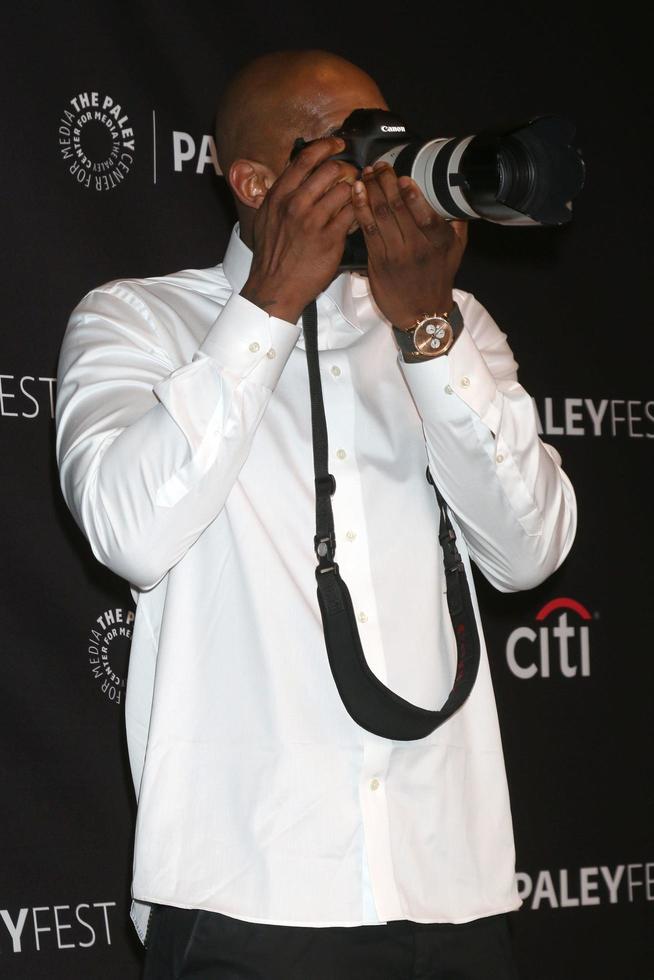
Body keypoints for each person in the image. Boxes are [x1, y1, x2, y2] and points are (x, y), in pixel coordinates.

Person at [55, 49, 576, 980]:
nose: (380, 173)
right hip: (244, 891)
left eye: (393, 142)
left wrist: (427, 334)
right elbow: (129, 532)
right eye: (352, 148)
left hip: (449, 886)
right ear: (255, 181)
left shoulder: (454, 326)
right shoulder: (138, 321)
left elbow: (529, 552)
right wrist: (269, 302)